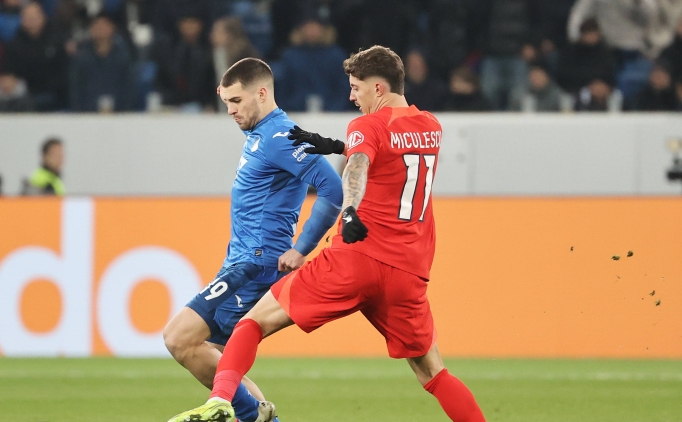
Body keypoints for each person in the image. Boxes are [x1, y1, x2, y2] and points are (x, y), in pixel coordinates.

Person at [166, 45, 486, 422]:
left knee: (253, 323)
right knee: (434, 374)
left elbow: (358, 165)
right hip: (408, 271)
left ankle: (220, 402)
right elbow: (393, 153)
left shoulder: (364, 126)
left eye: (356, 88)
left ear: (378, 88)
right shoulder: (430, 127)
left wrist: (349, 209)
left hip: (357, 257)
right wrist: (336, 146)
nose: (352, 96)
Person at [163, 57, 343, 422]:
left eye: (236, 101)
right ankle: (260, 417)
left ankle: (241, 413)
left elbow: (332, 188)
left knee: (178, 337)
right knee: (217, 357)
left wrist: (301, 248)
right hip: (241, 261)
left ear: (262, 94)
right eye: (225, 101)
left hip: (254, 265)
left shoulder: (280, 137)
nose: (230, 110)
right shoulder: (260, 135)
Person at [68, 12, 135, 112]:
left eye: (103, 25)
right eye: (96, 25)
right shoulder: (81, 57)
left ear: (112, 28)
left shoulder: (122, 57)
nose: (99, 29)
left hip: (118, 113)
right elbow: (76, 88)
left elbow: (128, 88)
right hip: (87, 113)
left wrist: (124, 112)